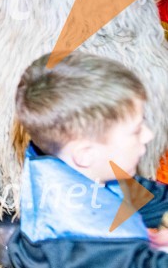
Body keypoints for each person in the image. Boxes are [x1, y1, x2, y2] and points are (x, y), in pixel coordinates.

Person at [9, 52, 168, 266]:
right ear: (85, 154)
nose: (148, 135)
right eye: (136, 131)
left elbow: (148, 198)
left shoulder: (77, 170)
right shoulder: (84, 246)